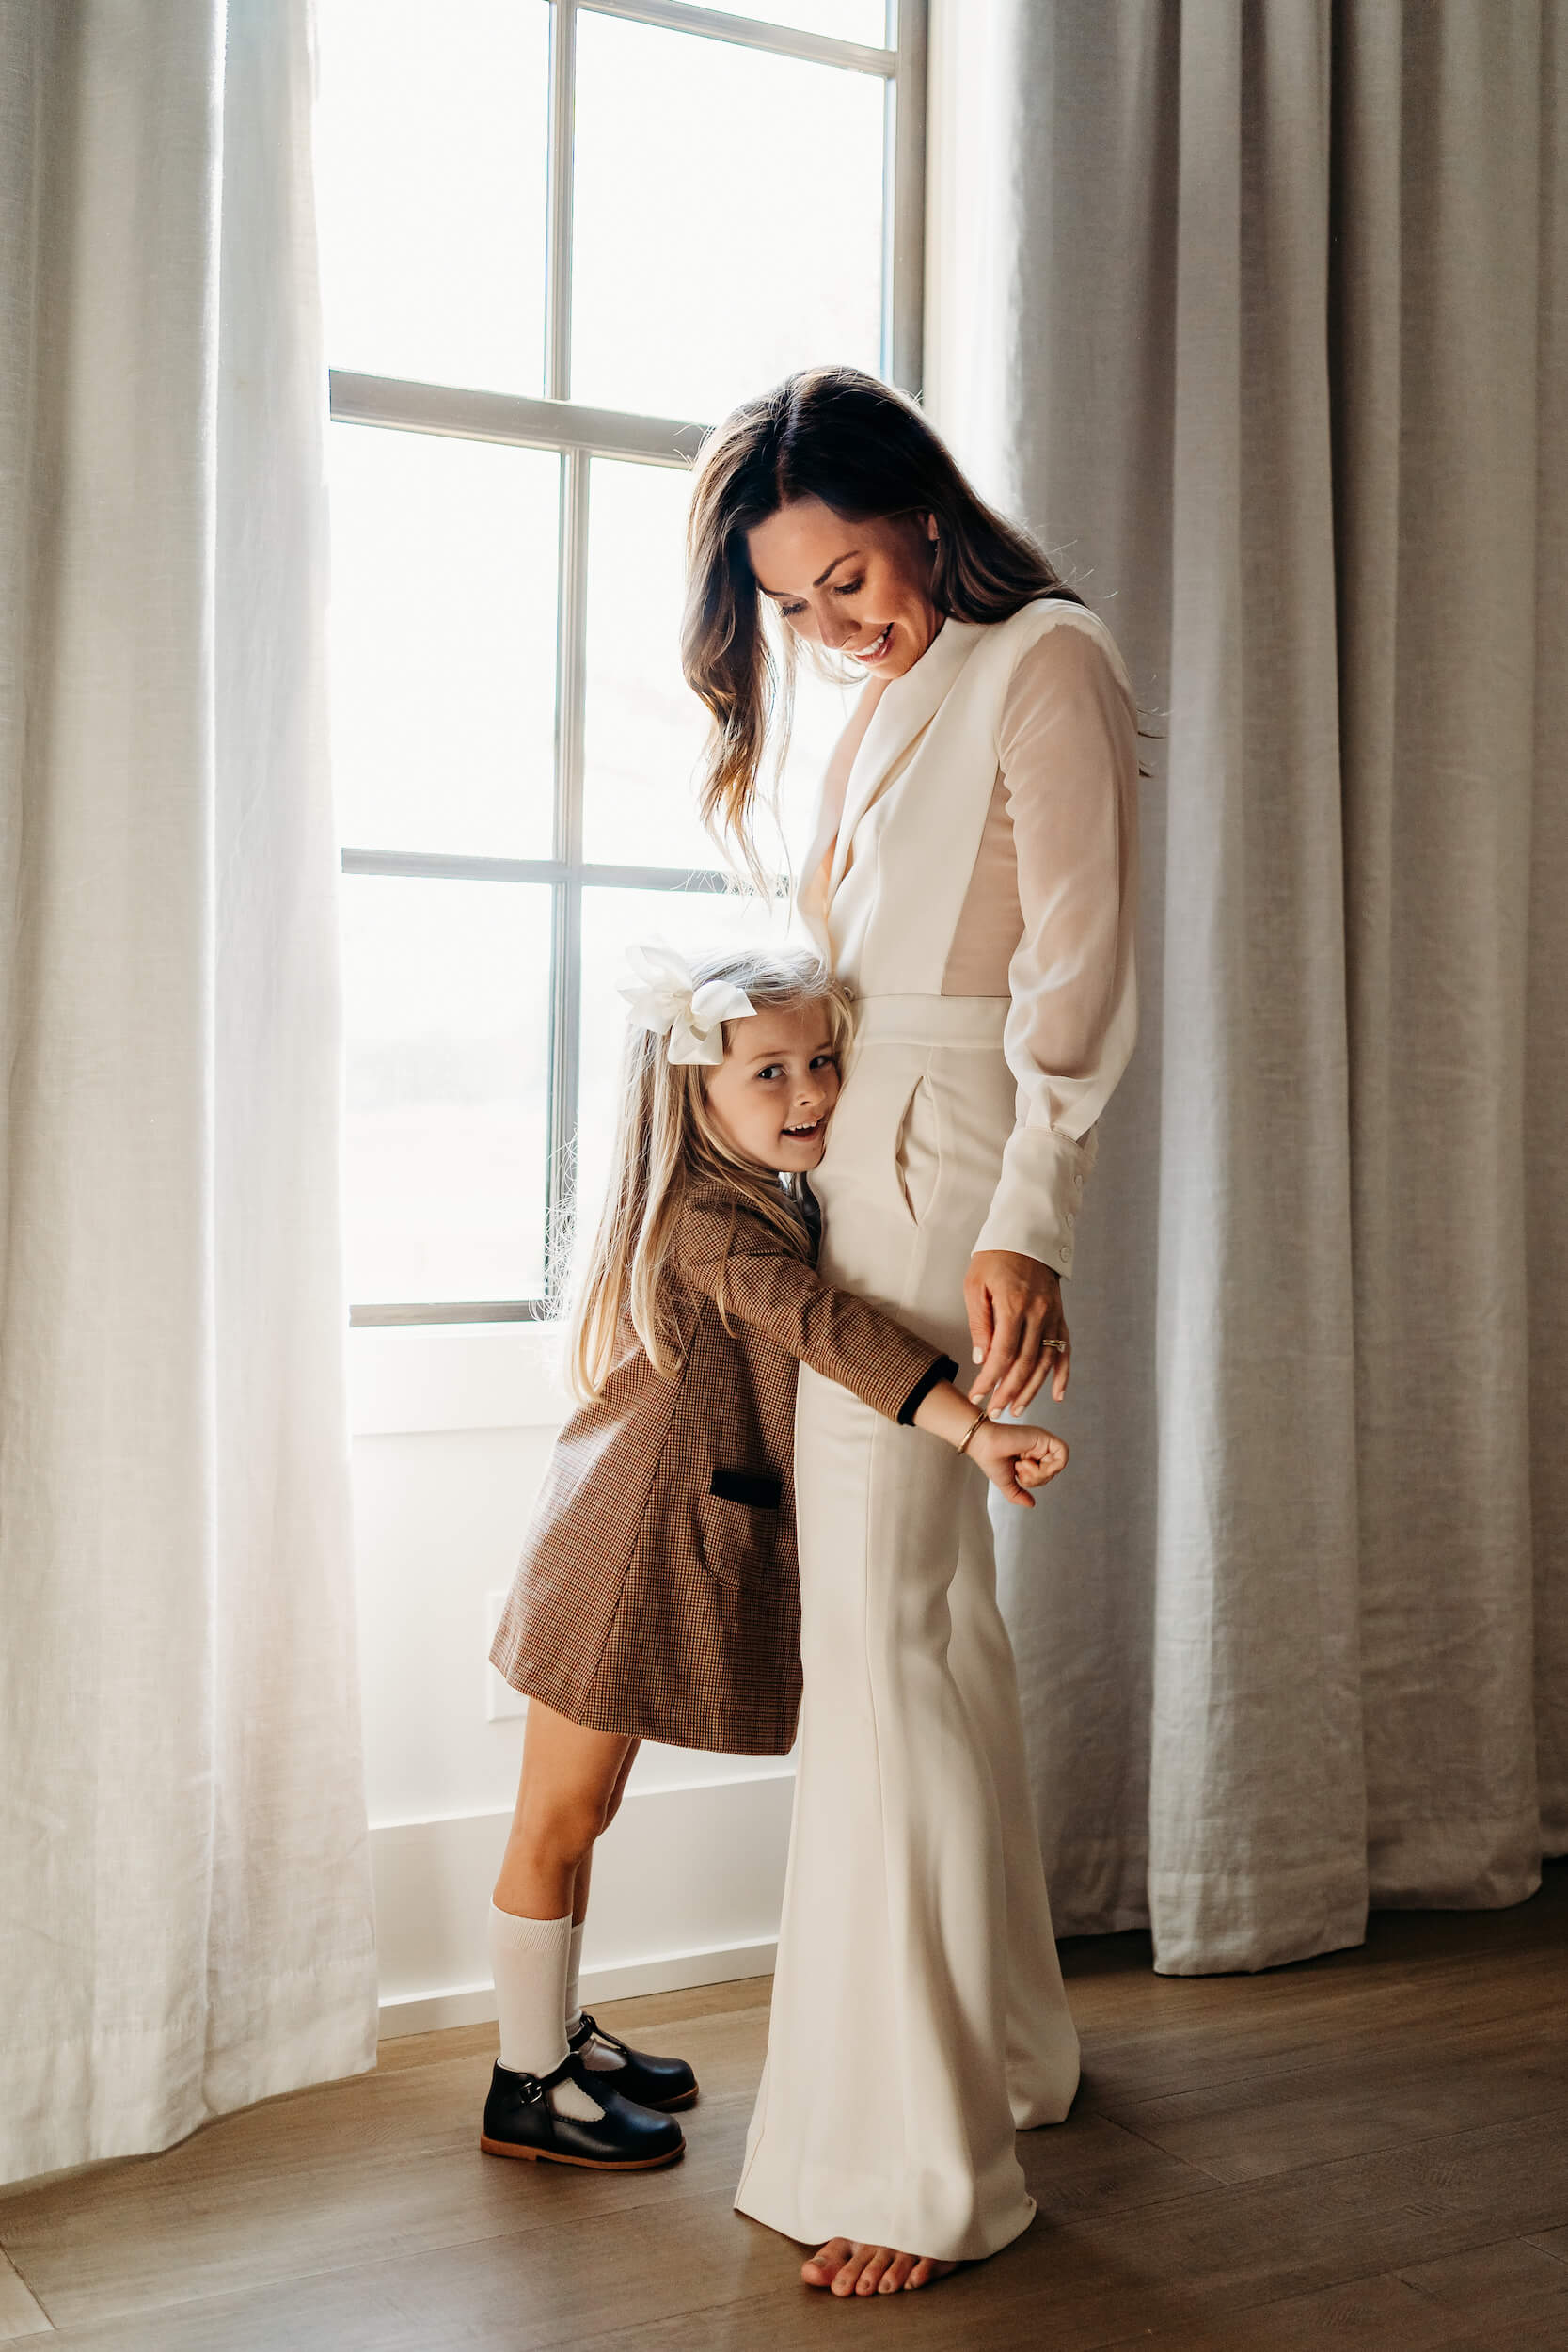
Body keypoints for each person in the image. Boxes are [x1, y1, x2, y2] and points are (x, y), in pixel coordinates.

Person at [681, 367, 1139, 2294]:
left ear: (922, 511)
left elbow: (1080, 966)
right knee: (933, 1626)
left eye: (847, 574)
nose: (832, 626)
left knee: (880, 1642)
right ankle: (1009, 2050)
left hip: (948, 1181)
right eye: (794, 604)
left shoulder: (1047, 658)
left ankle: (919, 2161)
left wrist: (1033, 1218)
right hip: (857, 1167)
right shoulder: (884, 708)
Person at [480, 941, 1069, 2173]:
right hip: (616, 1557)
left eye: (822, 1062)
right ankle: (521, 2084)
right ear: (695, 1093)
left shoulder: (764, 1195)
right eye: (770, 1073)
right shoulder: (709, 1223)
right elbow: (824, 1326)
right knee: (559, 1817)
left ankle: (557, 2035)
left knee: (592, 1811)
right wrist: (972, 1425)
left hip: (645, 1545)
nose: (810, 1093)